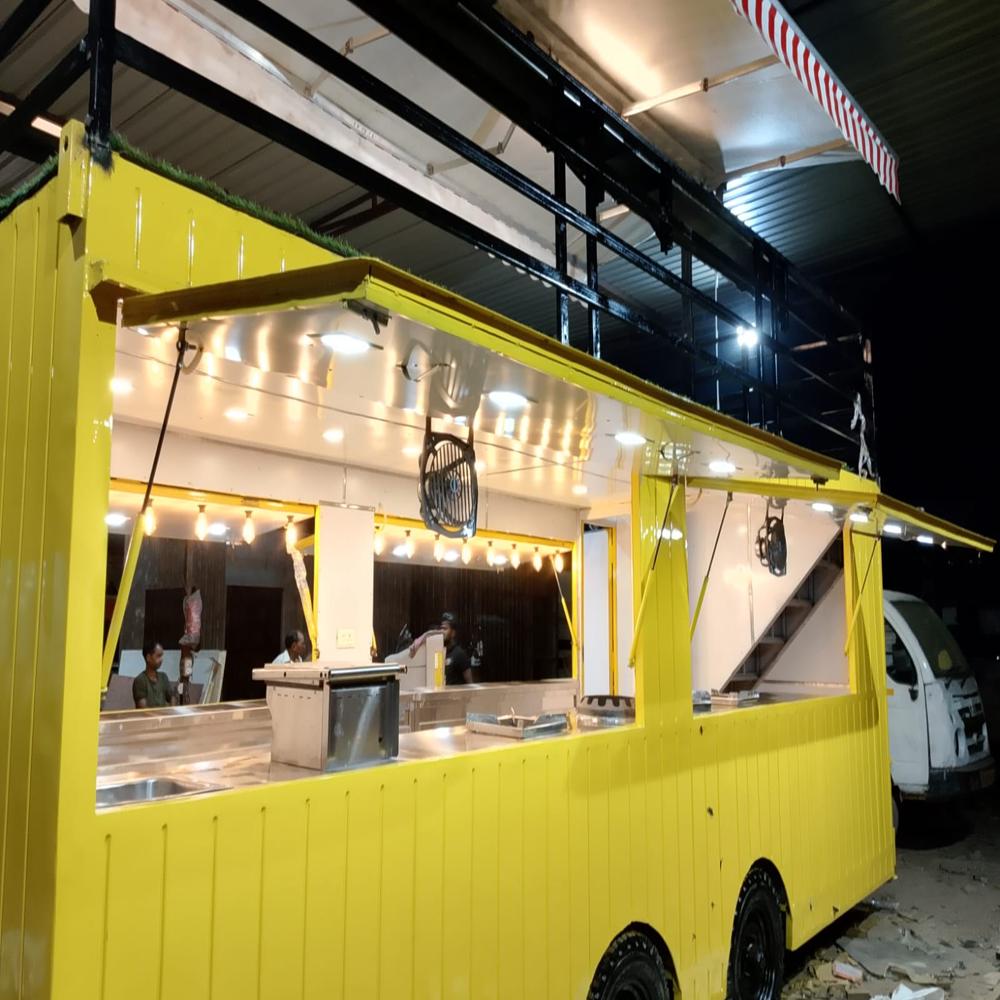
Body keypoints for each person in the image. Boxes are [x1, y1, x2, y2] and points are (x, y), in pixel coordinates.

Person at [409, 612, 472, 685]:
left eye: (445, 629)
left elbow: (469, 683)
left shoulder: (459, 654)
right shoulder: (438, 653)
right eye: (441, 628)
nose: (442, 631)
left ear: (453, 633)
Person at [132, 640, 177, 708]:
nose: (161, 659)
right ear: (148, 658)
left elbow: (172, 697)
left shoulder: (163, 677)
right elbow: (143, 709)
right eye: (158, 656)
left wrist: (170, 712)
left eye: (161, 656)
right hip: (149, 718)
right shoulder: (140, 680)